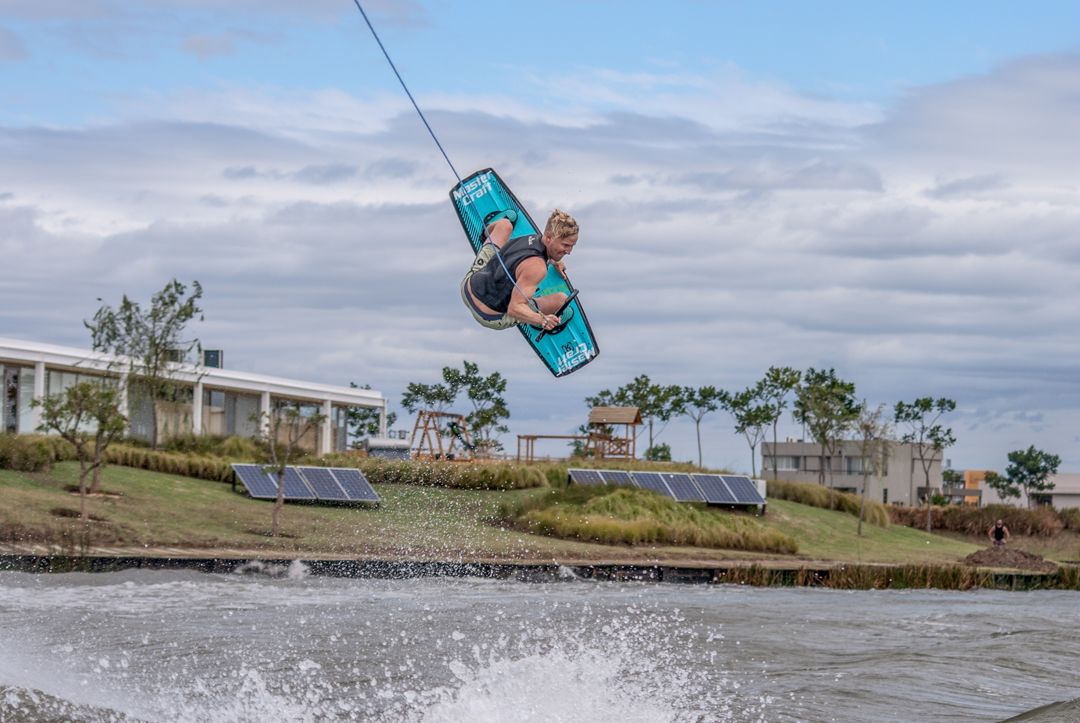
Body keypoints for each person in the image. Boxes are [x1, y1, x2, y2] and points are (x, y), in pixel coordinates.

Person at [461, 208, 578, 331]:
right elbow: (515, 308)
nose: (569, 252)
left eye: (572, 246)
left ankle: (485, 234)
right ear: (548, 238)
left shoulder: (531, 238)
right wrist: (543, 320)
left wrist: (555, 259)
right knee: (561, 301)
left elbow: (527, 257)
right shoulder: (538, 268)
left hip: (467, 288)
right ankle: (537, 324)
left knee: (504, 225)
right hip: (489, 316)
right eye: (565, 245)